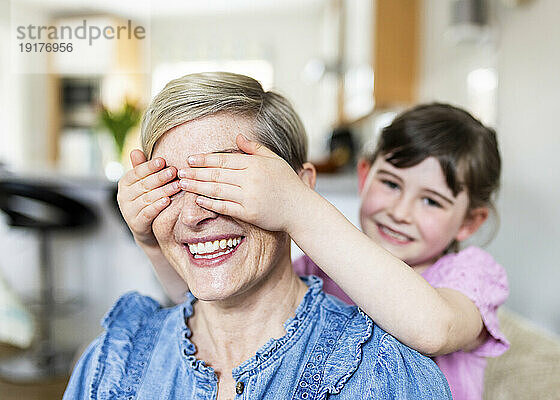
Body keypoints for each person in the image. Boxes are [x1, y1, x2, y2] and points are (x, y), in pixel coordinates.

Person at [63, 72, 451, 399]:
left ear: (300, 188)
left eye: (227, 182)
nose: (195, 215)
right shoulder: (109, 367)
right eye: (173, 185)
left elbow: (436, 327)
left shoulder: (384, 376)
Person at [121, 100, 509, 400]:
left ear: (470, 222)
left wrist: (295, 204)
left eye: (432, 202)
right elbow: (200, 299)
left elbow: (434, 329)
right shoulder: (320, 267)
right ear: (363, 174)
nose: (400, 212)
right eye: (390, 184)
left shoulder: (472, 275)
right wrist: (152, 243)